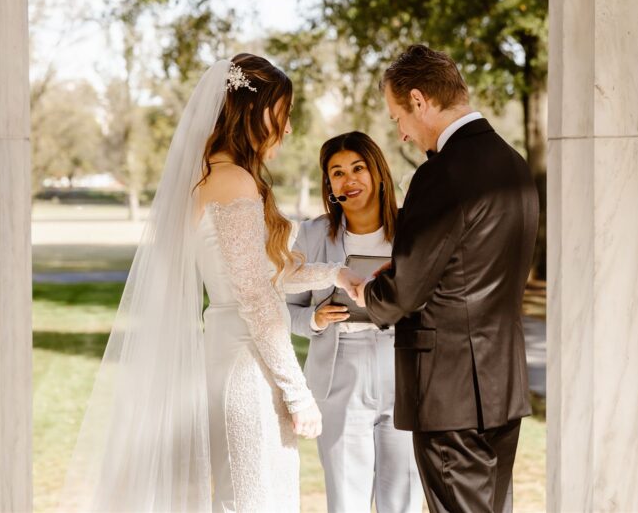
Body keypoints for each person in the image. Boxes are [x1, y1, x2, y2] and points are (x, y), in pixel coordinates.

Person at [58, 55, 364, 513]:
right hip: (248, 366)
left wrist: (337, 273)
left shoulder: (214, 175)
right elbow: (257, 298)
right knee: (253, 499)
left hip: (235, 353)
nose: (288, 127)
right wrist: (299, 394)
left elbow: (265, 275)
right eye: (283, 112)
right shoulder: (232, 181)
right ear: (253, 112)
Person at [349, 44, 539, 513]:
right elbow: (480, 263)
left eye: (398, 118)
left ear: (419, 100)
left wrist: (368, 292)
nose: (403, 133)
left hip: (449, 391)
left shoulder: (441, 174)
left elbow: (404, 293)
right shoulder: (514, 165)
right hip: (502, 384)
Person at [287, 132, 422, 513]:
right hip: (338, 372)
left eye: (358, 168)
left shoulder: (412, 229)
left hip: (403, 365)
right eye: (338, 173)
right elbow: (284, 309)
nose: (350, 180)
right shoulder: (312, 235)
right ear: (329, 186)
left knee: (405, 498)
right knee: (347, 500)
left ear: (378, 172)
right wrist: (313, 319)